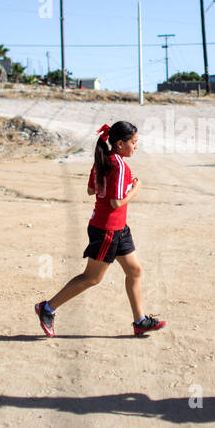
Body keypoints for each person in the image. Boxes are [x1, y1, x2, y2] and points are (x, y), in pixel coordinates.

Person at [36, 122, 167, 337]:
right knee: (92, 278)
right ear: (119, 143)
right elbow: (116, 202)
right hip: (107, 230)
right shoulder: (119, 166)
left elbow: (90, 190)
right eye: (133, 143)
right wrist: (136, 189)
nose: (136, 147)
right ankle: (47, 308)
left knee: (134, 270)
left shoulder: (102, 161)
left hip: (118, 228)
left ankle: (140, 321)